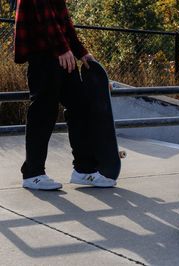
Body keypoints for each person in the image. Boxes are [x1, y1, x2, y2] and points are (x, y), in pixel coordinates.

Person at [15, 0, 116, 190]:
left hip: (62, 55)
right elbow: (45, 17)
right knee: (43, 113)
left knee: (80, 107)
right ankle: (33, 174)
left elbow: (64, 23)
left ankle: (84, 170)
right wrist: (62, 48)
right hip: (43, 56)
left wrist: (82, 53)